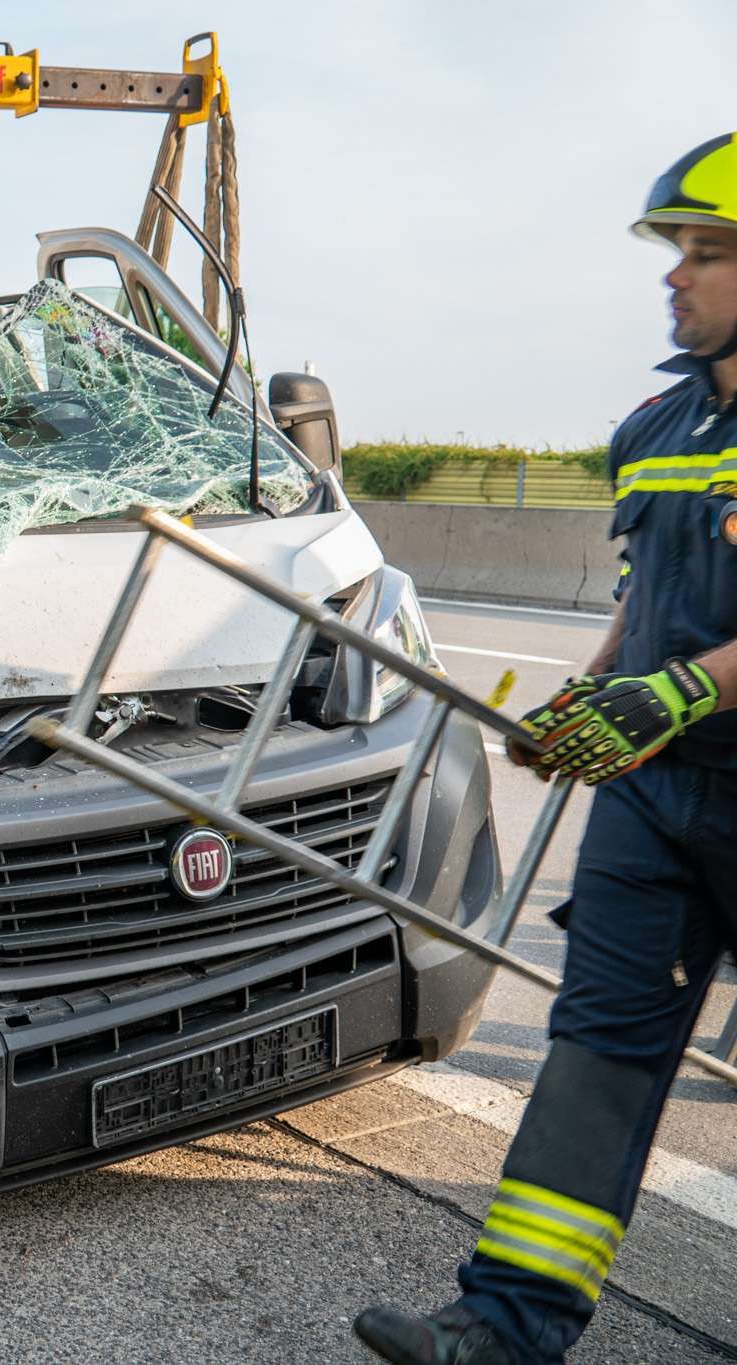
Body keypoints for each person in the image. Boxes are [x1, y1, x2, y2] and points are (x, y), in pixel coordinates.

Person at [356, 133, 737, 1364]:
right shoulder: (656, 425)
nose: (674, 274)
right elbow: (641, 593)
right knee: (595, 1056)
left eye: (708, 250)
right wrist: (589, 702)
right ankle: (501, 1330)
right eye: (676, 248)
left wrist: (674, 693)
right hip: (654, 793)